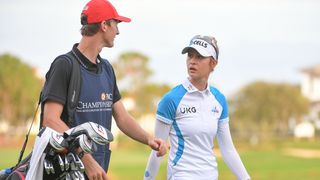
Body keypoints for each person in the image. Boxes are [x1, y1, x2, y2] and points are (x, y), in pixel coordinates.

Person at [40, 0, 166, 179]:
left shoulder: (106, 68)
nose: (118, 31)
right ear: (104, 25)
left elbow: (122, 117)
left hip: (98, 170)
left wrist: (149, 139)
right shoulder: (64, 65)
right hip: (65, 171)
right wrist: (86, 159)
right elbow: (50, 121)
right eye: (116, 23)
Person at [144, 35, 250, 180]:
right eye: (190, 56)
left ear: (213, 63)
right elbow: (157, 150)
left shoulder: (219, 100)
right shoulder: (171, 100)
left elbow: (228, 150)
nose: (192, 61)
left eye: (199, 57)